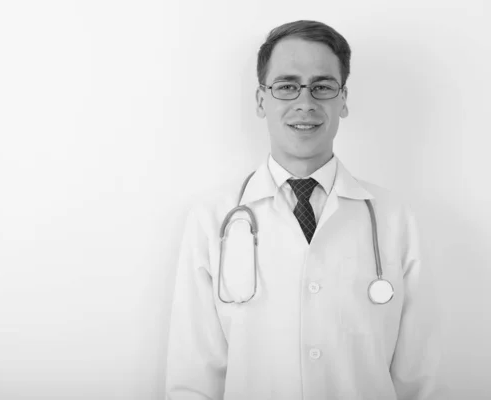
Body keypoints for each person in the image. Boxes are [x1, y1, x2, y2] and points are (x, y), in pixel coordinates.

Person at [165, 20, 441, 400]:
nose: (305, 103)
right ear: (261, 100)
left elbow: (420, 377)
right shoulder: (211, 220)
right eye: (287, 86)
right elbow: (193, 376)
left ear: (343, 100)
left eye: (323, 86)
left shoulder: (395, 220)